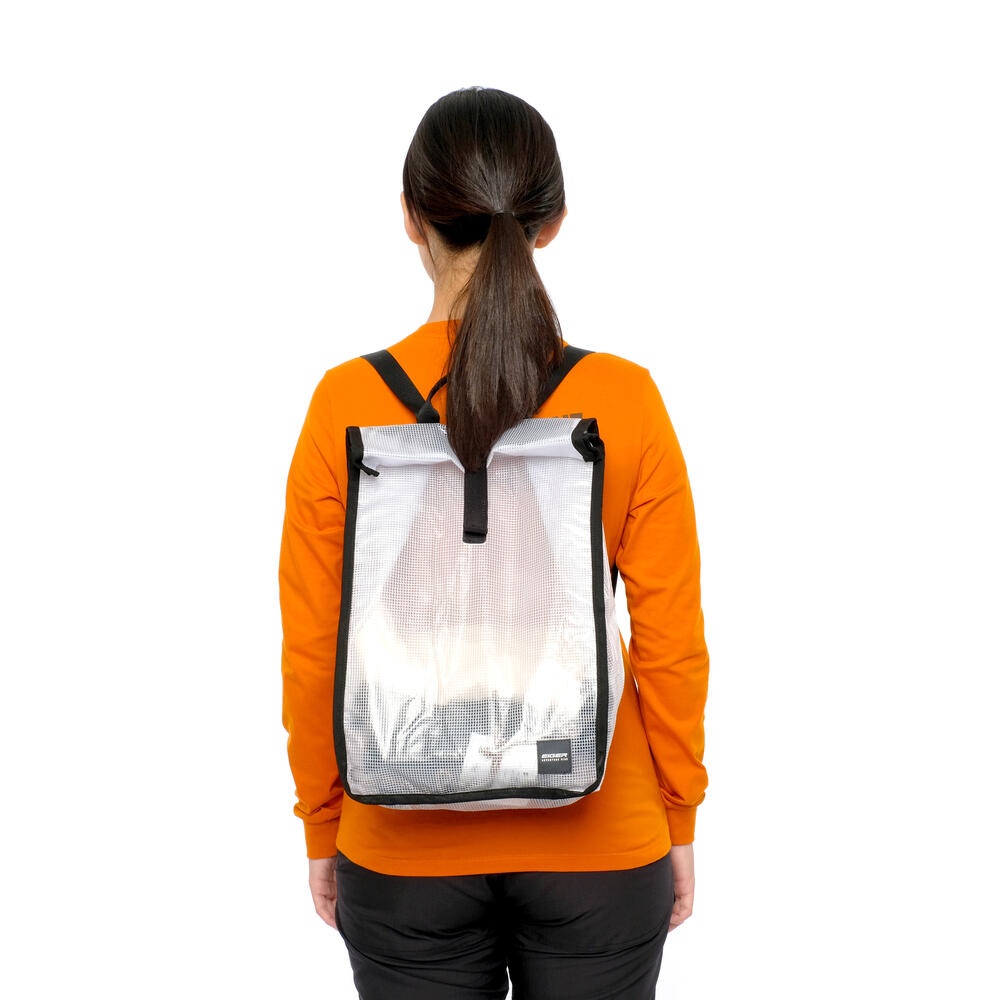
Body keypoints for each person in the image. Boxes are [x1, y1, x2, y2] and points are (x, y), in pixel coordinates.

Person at [279, 87, 709, 1000]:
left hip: (399, 847)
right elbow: (671, 639)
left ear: (410, 217)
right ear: (550, 224)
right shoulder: (625, 400)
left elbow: (315, 646)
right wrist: (679, 813)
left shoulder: (344, 404)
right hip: (601, 841)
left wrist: (323, 821)